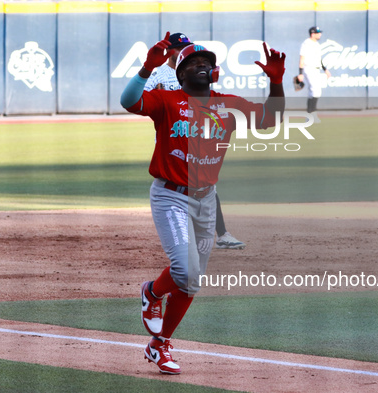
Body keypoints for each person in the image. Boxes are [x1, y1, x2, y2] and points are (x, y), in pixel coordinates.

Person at [120, 32, 286, 375]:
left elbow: (271, 121)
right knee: (185, 268)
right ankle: (152, 293)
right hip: (171, 197)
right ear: (180, 73)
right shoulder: (167, 100)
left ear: (215, 72)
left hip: (205, 201)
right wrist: (146, 68)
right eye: (193, 62)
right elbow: (129, 102)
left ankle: (160, 344)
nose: (201, 65)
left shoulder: (229, 104)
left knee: (192, 282)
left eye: (206, 63)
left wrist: (276, 83)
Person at [144, 32, 246, 250]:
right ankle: (183, 234)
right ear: (168, 51)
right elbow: (142, 98)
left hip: (201, 132)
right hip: (174, 136)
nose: (183, 50)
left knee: (206, 186)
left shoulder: (196, 71)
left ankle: (222, 233)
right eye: (178, 48)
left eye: (186, 47)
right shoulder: (158, 73)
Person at [297, 26, 331, 123]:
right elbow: (302, 58)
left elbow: (318, 59)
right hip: (309, 69)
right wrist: (300, 73)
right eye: (318, 32)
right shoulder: (306, 43)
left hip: (316, 69)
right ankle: (312, 115)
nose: (320, 34)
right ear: (312, 34)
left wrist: (325, 69)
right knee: (316, 91)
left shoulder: (316, 44)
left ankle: (309, 116)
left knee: (312, 92)